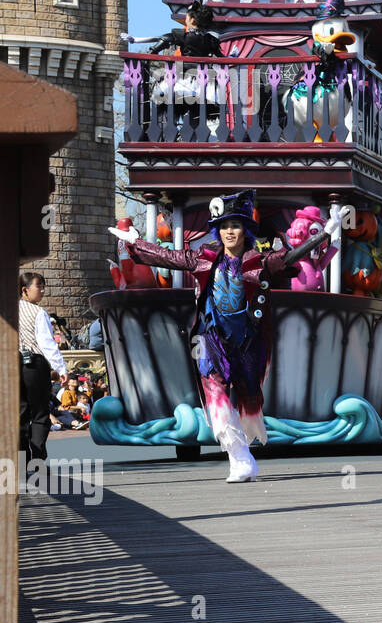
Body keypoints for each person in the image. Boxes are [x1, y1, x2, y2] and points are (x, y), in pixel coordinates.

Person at [109, 191, 341, 482]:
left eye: (236, 225)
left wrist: (324, 236)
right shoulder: (202, 258)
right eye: (224, 226)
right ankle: (239, 458)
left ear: (246, 230)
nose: (230, 232)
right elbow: (168, 257)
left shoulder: (261, 262)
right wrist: (134, 242)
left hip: (246, 340)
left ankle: (245, 454)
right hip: (210, 337)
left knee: (249, 397)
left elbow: (291, 256)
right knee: (215, 392)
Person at [19, 272, 68, 468]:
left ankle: (20, 461)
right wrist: (61, 368)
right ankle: (37, 460)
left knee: (19, 413)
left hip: (11, 364)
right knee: (40, 413)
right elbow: (47, 344)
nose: (42, 290)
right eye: (39, 286)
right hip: (34, 364)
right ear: (25, 290)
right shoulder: (38, 313)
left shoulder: (6, 310)